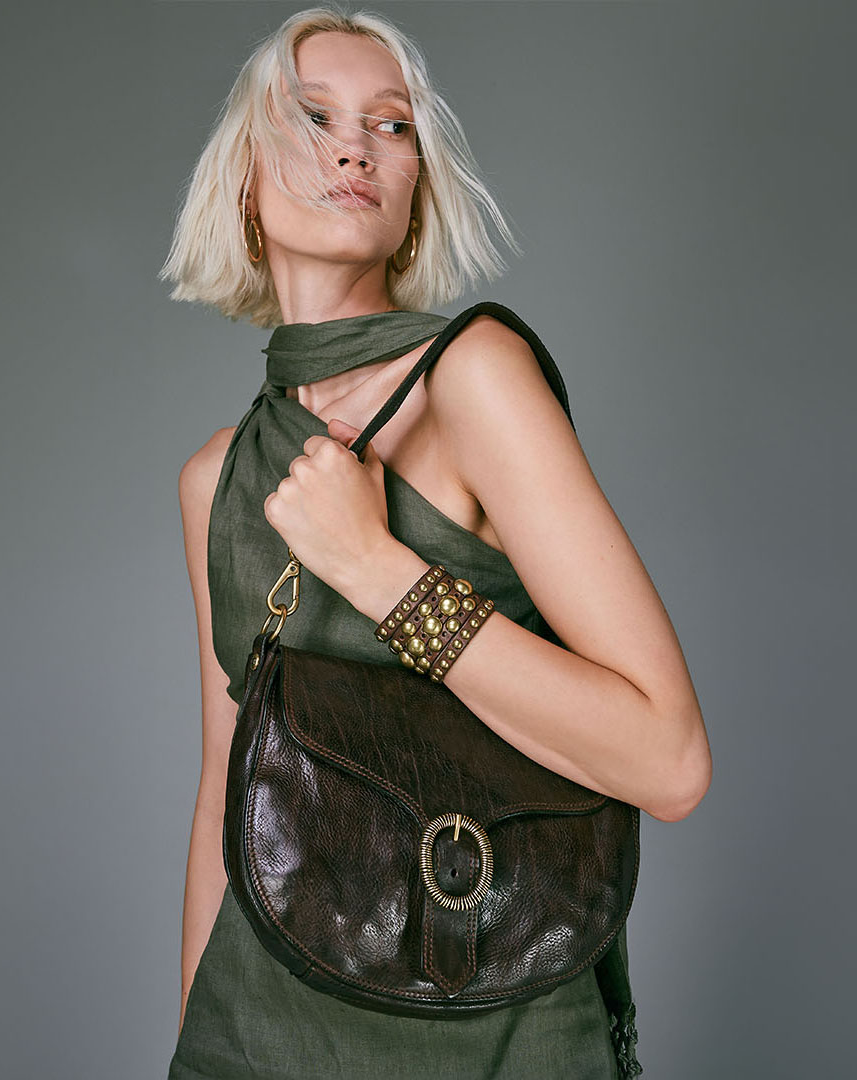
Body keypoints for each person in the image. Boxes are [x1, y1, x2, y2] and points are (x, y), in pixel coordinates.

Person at [159, 5, 711, 1078]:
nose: (355, 147)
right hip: (263, 1034)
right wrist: (199, 1044)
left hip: (501, 1029)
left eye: (391, 124)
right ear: (243, 182)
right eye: (312, 117)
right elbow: (226, 788)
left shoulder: (474, 382)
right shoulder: (214, 479)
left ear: (414, 195)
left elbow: (668, 760)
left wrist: (377, 570)